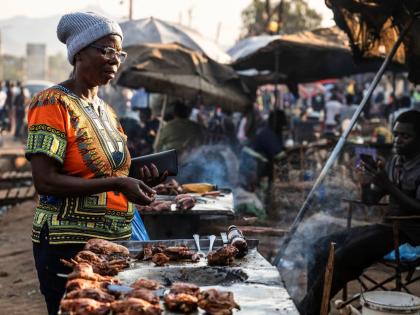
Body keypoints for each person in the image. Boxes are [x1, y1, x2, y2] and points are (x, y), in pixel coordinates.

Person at [25, 12, 163, 315]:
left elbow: (113, 172)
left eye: (119, 53)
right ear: (78, 54)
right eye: (106, 50)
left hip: (115, 245)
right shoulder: (52, 103)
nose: (114, 60)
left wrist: (136, 180)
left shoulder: (107, 112)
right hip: (69, 245)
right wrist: (116, 183)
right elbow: (45, 181)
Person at [298, 110, 420, 314]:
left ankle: (307, 309)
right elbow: (371, 200)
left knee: (342, 257)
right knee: (319, 247)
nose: (398, 140)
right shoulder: (395, 161)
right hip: (388, 228)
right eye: (396, 134)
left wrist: (388, 186)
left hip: (411, 234)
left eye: (405, 136)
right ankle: (317, 307)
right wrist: (366, 184)